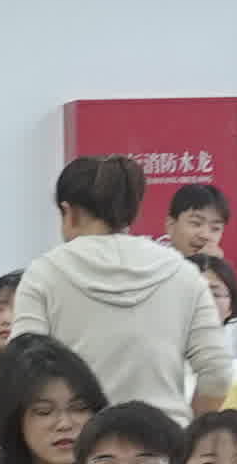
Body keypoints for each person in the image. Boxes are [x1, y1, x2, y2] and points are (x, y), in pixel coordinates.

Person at [19, 153, 219, 419]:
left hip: (80, 437)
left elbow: (22, 371)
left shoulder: (44, 273)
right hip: (166, 436)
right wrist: (188, 427)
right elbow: (217, 372)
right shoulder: (182, 272)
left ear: (69, 212)